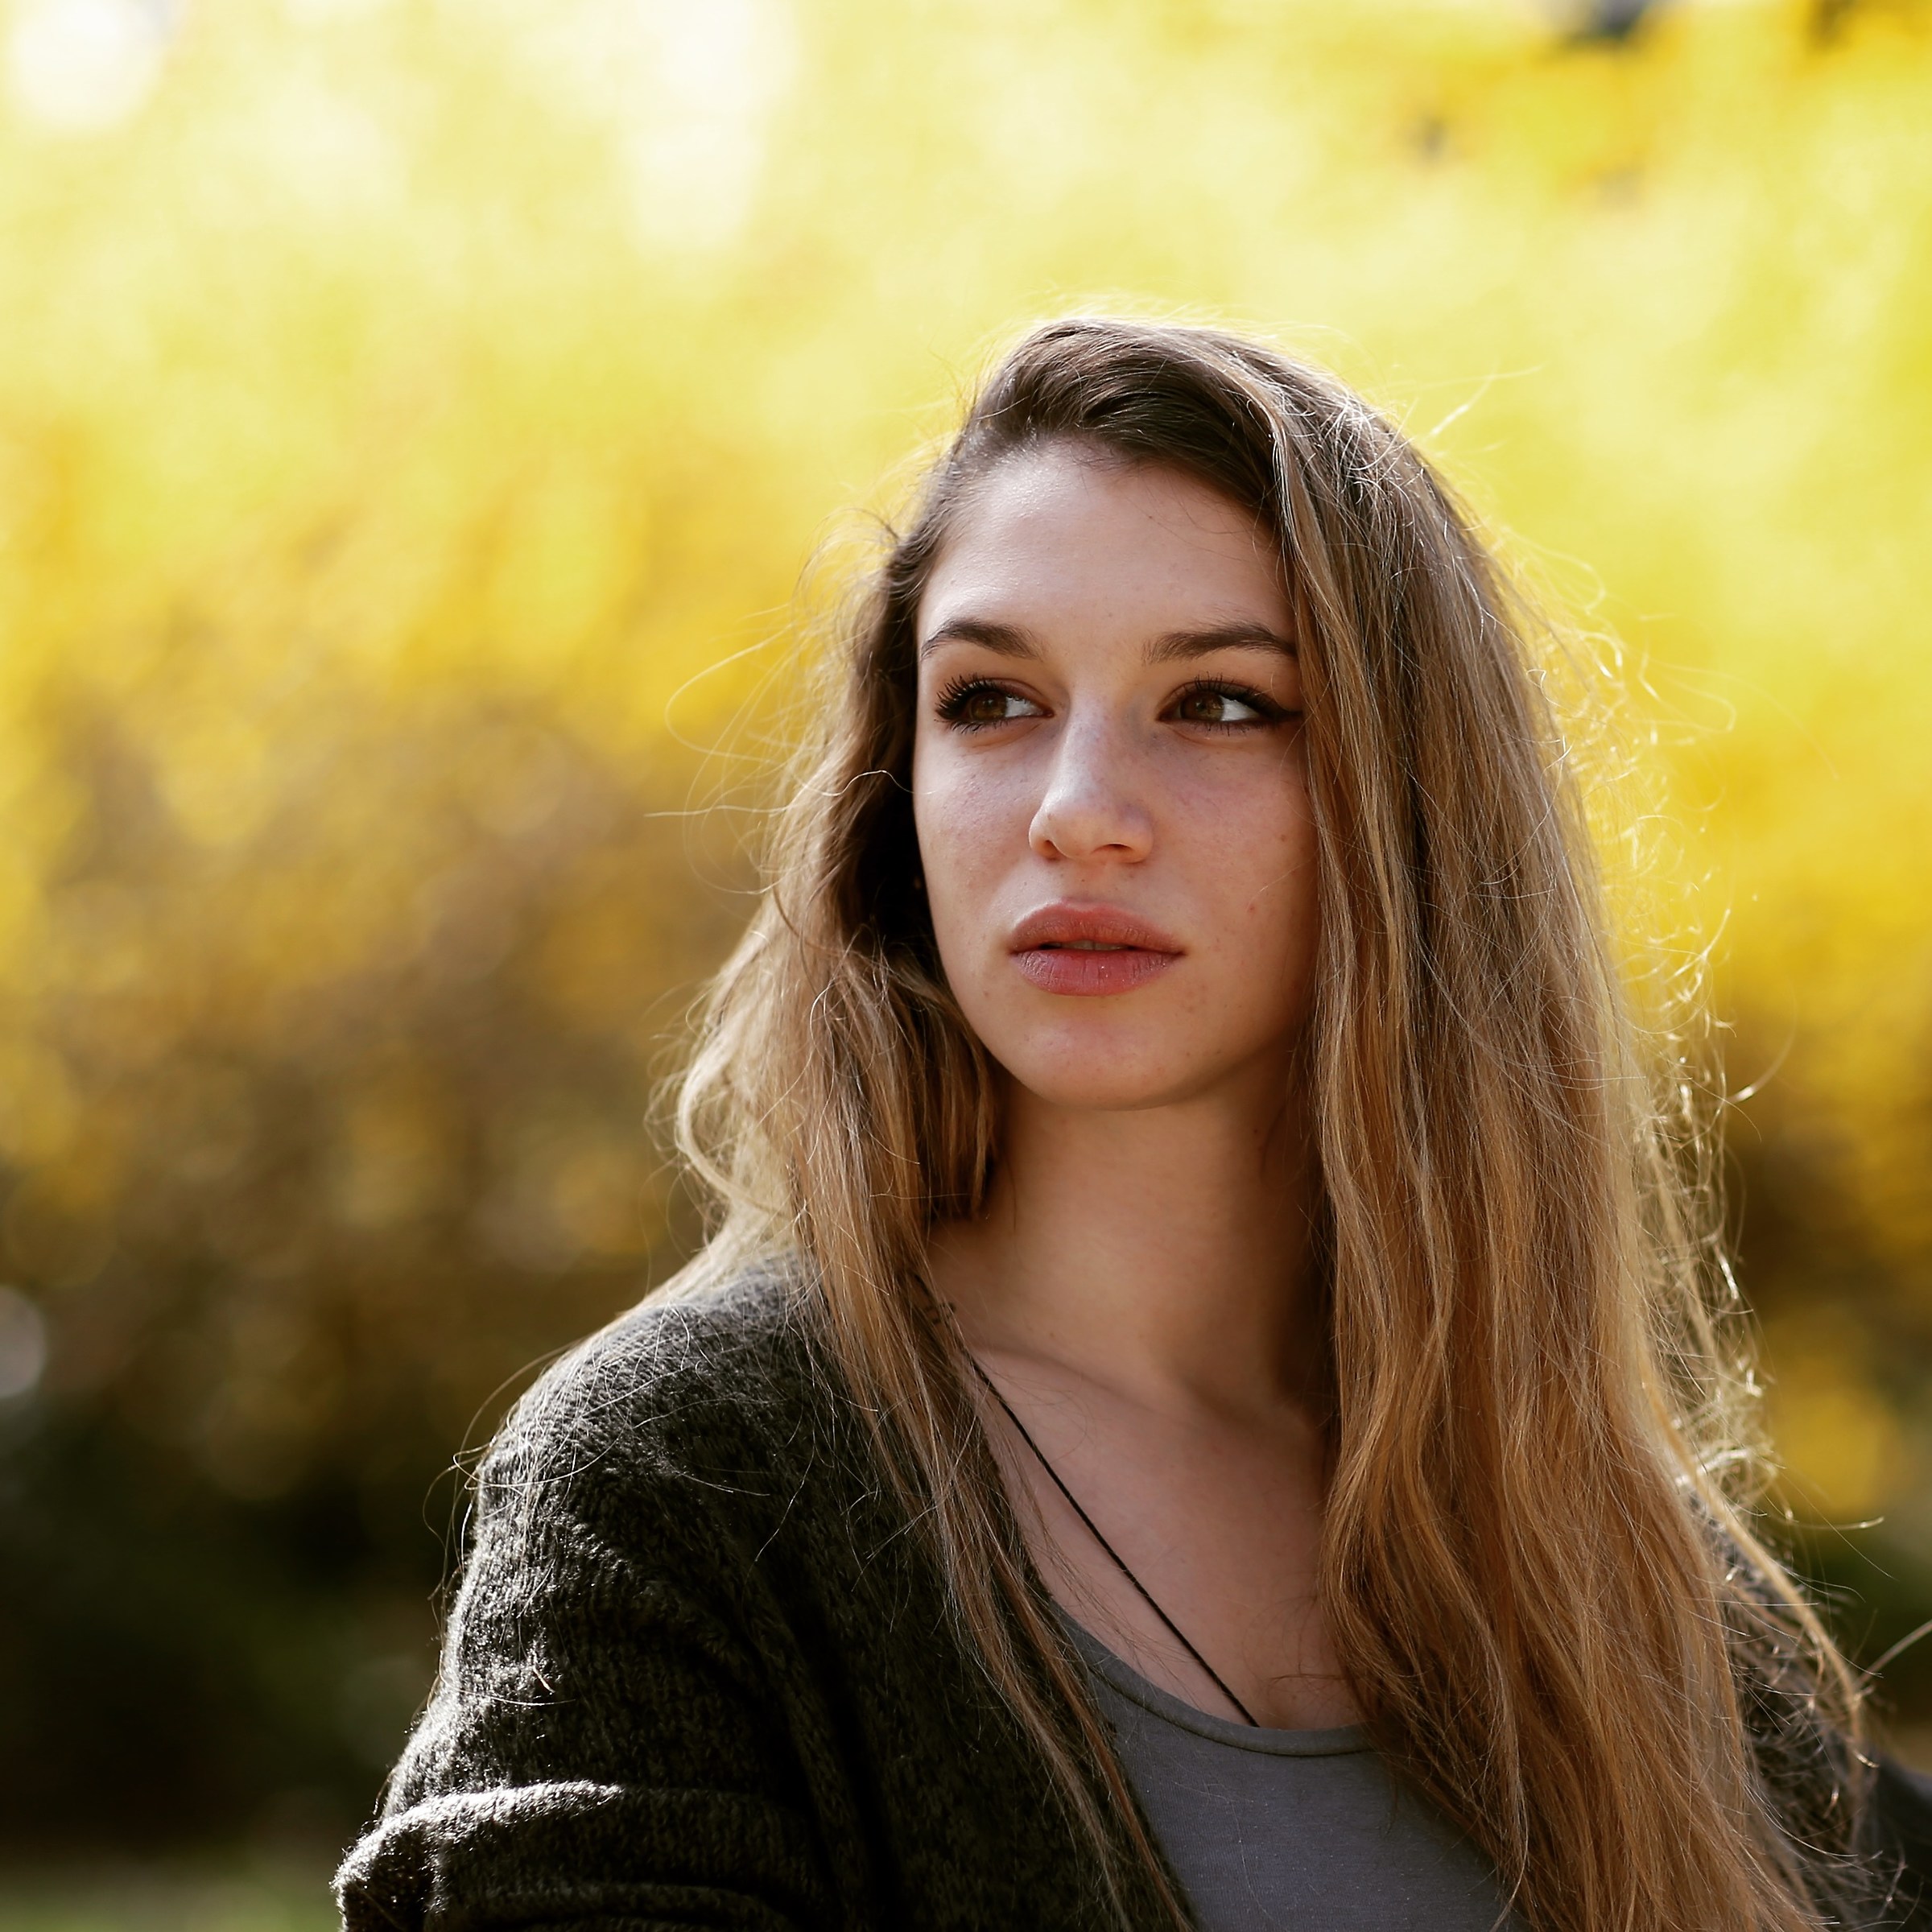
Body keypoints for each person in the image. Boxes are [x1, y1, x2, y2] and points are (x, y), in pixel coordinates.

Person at [335, 318, 1932, 1931]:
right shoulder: (688, 1487)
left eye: (1223, 705)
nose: (1076, 808)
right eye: (990, 700)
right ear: (900, 792)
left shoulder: (1615, 1565)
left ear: (1416, 811)